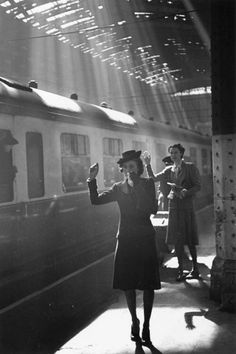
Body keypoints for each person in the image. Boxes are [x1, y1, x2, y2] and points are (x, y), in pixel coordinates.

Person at [87, 150, 161, 346]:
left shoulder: (147, 184)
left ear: (138, 167)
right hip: (126, 239)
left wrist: (136, 188)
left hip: (145, 238)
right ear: (122, 170)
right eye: (126, 167)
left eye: (133, 166)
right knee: (128, 283)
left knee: (147, 284)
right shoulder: (118, 188)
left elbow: (152, 209)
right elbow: (96, 200)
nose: (129, 170)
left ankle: (146, 325)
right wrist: (91, 179)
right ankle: (134, 322)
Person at [143, 144, 201, 282]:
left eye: (175, 152)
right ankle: (181, 270)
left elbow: (198, 186)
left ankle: (195, 269)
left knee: (190, 239)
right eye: (171, 153)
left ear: (181, 153)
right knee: (177, 240)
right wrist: (147, 165)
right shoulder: (168, 170)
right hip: (174, 208)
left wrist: (186, 191)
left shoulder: (190, 168)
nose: (173, 155)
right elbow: (153, 178)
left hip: (186, 207)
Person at [0, 131, 18, 202]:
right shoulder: (2, 155)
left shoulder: (5, 154)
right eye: (10, 145)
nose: (11, 147)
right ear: (4, 144)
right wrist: (12, 171)